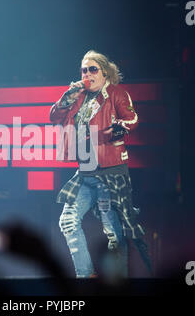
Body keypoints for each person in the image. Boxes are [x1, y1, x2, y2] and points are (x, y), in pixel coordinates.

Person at [49, 50, 152, 278]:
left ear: (104, 72)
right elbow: (54, 117)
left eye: (92, 69)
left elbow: (132, 120)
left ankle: (117, 283)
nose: (87, 74)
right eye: (84, 70)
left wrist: (117, 128)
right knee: (67, 221)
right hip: (85, 171)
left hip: (110, 172)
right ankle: (86, 277)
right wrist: (69, 95)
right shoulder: (78, 96)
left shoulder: (116, 93)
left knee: (114, 233)